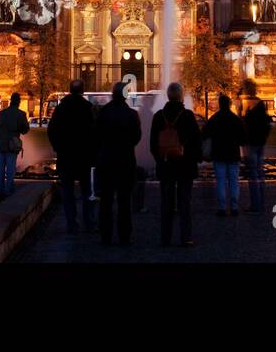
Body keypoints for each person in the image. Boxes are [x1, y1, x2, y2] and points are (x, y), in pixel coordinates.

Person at [150, 82, 201, 246]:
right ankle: (186, 237)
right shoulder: (187, 115)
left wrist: (160, 160)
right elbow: (196, 141)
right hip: (185, 167)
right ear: (181, 96)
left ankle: (165, 237)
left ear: (167, 96)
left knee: (166, 202)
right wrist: (195, 159)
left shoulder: (159, 116)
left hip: (166, 165)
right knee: (185, 202)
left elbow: (153, 144)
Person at [94, 82, 141, 245]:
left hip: (106, 161)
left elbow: (96, 137)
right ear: (125, 95)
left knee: (106, 201)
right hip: (125, 161)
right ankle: (124, 235)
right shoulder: (132, 114)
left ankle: (105, 235)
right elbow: (136, 137)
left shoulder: (103, 112)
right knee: (124, 201)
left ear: (113, 94)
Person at [47, 80, 97, 233]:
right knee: (87, 192)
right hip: (84, 157)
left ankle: (71, 223)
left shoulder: (61, 108)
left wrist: (58, 147)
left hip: (66, 156)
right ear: (82, 91)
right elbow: (95, 133)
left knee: (68, 192)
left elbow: (52, 130)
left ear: (70, 90)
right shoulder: (88, 108)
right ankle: (88, 222)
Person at [203, 94, 244, 216]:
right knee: (234, 181)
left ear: (220, 104)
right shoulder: (235, 119)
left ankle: (222, 207)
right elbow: (243, 138)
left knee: (220, 181)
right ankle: (234, 207)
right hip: (233, 154)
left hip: (219, 154)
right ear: (230, 104)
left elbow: (204, 133)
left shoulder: (215, 118)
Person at [0, 92, 30, 197]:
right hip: (12, 145)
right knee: (10, 170)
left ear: (10, 101)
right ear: (18, 102)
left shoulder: (2, 113)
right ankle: (8, 191)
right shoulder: (21, 114)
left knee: (0, 170)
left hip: (0, 144)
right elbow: (25, 130)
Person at [242, 91, 272, 212]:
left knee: (253, 175)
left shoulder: (250, 116)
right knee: (260, 174)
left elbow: (244, 129)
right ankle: (262, 202)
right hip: (260, 145)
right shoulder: (263, 116)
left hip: (252, 146)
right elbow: (268, 128)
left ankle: (255, 204)